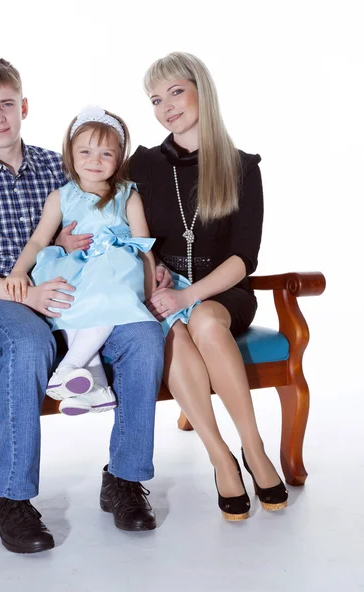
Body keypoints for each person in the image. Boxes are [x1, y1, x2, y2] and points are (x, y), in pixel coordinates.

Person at [0, 56, 165, 555]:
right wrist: (26, 292)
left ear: (24, 107)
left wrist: (145, 266)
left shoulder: (59, 166)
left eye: (7, 105)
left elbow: (108, 216)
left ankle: (124, 479)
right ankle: (10, 500)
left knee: (144, 336)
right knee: (28, 338)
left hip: (77, 296)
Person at [128, 52, 289, 520]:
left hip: (223, 290)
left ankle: (254, 449)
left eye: (175, 92)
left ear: (202, 90)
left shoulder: (241, 166)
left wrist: (187, 295)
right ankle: (222, 458)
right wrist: (153, 267)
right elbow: (120, 221)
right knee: (174, 333)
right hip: (164, 289)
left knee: (205, 322)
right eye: (156, 99)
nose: (166, 107)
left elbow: (244, 258)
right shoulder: (143, 165)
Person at [4, 106, 158, 417]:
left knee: (106, 290)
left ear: (120, 157)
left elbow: (143, 245)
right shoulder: (61, 196)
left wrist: (150, 289)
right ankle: (96, 387)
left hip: (115, 270)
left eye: (106, 154)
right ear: (70, 155)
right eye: (85, 151)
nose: (94, 161)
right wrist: (19, 270)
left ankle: (69, 366)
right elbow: (38, 240)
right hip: (74, 267)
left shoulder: (128, 195)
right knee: (66, 298)